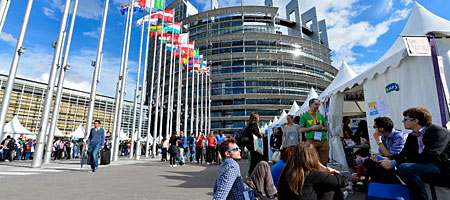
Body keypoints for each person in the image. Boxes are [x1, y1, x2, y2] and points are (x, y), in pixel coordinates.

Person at [378, 107, 450, 200]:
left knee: (405, 168)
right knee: (380, 165)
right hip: (424, 166)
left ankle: (421, 198)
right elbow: (404, 154)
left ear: (415, 120)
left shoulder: (438, 132)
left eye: (405, 119)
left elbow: (430, 156)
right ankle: (397, 194)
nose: (403, 121)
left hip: (441, 168)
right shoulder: (413, 136)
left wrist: (395, 162)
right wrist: (388, 159)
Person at [277, 143, 348, 200]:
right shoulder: (312, 174)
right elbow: (343, 182)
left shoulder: (286, 172)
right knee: (330, 186)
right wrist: (329, 170)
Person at [213, 138, 277, 199]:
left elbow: (217, 187)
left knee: (263, 165)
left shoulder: (223, 164)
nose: (239, 150)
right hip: (246, 195)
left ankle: (272, 195)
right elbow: (221, 193)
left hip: (244, 187)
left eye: (239, 148)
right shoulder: (232, 166)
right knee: (264, 165)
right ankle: (272, 196)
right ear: (227, 153)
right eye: (236, 149)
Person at [365, 117, 408, 184]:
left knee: (381, 165)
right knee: (369, 161)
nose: (375, 130)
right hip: (391, 158)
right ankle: (371, 184)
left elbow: (390, 154)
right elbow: (382, 153)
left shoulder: (399, 137)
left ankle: (394, 186)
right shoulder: (384, 136)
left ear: (381, 129)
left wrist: (379, 141)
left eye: (375, 127)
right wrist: (368, 157)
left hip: (400, 161)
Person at [299, 98, 329, 165]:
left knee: (324, 161)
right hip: (311, 140)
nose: (317, 106)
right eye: (315, 104)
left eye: (318, 104)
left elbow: (327, 128)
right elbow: (300, 129)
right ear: (310, 105)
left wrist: (322, 128)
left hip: (323, 140)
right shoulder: (304, 116)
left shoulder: (320, 116)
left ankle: (323, 174)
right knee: (312, 160)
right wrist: (312, 128)